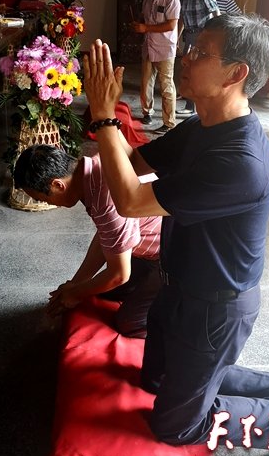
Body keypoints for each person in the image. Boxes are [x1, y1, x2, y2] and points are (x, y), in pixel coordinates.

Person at [82, 13, 269, 456]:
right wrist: (108, 119)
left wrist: (104, 117)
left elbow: (131, 201)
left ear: (236, 74)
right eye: (191, 48)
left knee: (175, 427)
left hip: (217, 308)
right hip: (176, 288)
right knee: (155, 382)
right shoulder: (202, 127)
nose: (186, 58)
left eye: (200, 53)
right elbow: (133, 165)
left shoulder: (242, 161)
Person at [13, 144, 162, 339]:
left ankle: (181, 308)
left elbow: (119, 274)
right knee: (101, 291)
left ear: (57, 185)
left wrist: (75, 293)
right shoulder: (95, 169)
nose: (47, 204)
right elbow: (105, 236)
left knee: (129, 323)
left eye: (43, 199)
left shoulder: (107, 198)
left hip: (173, 256)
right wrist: (76, 283)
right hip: (148, 248)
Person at [132, 0, 180, 134]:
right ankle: (147, 112)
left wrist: (146, 28)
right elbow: (144, 17)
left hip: (165, 49)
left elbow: (171, 25)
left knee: (166, 86)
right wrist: (139, 24)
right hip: (148, 47)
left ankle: (169, 122)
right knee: (146, 83)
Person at [176, 0, 219, 116]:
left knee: (198, 71)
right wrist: (176, 38)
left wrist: (214, 38)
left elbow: (216, 13)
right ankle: (190, 106)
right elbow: (182, 18)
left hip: (202, 36)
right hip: (189, 36)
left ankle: (198, 107)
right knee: (188, 69)